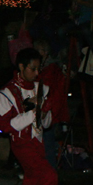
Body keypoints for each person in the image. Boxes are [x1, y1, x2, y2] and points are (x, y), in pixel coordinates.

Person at [0, 47, 57, 185]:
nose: (37, 73)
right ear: (21, 67)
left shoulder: (41, 88)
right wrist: (34, 111)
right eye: (33, 69)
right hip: (22, 144)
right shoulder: (6, 93)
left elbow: (46, 124)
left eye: (39, 69)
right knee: (48, 177)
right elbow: (6, 126)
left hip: (37, 143)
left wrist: (44, 113)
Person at [34, 38, 70, 168]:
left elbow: (53, 93)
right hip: (46, 111)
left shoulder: (51, 69)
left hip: (50, 113)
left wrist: (45, 110)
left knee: (47, 144)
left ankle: (49, 173)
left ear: (43, 52)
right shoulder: (45, 68)